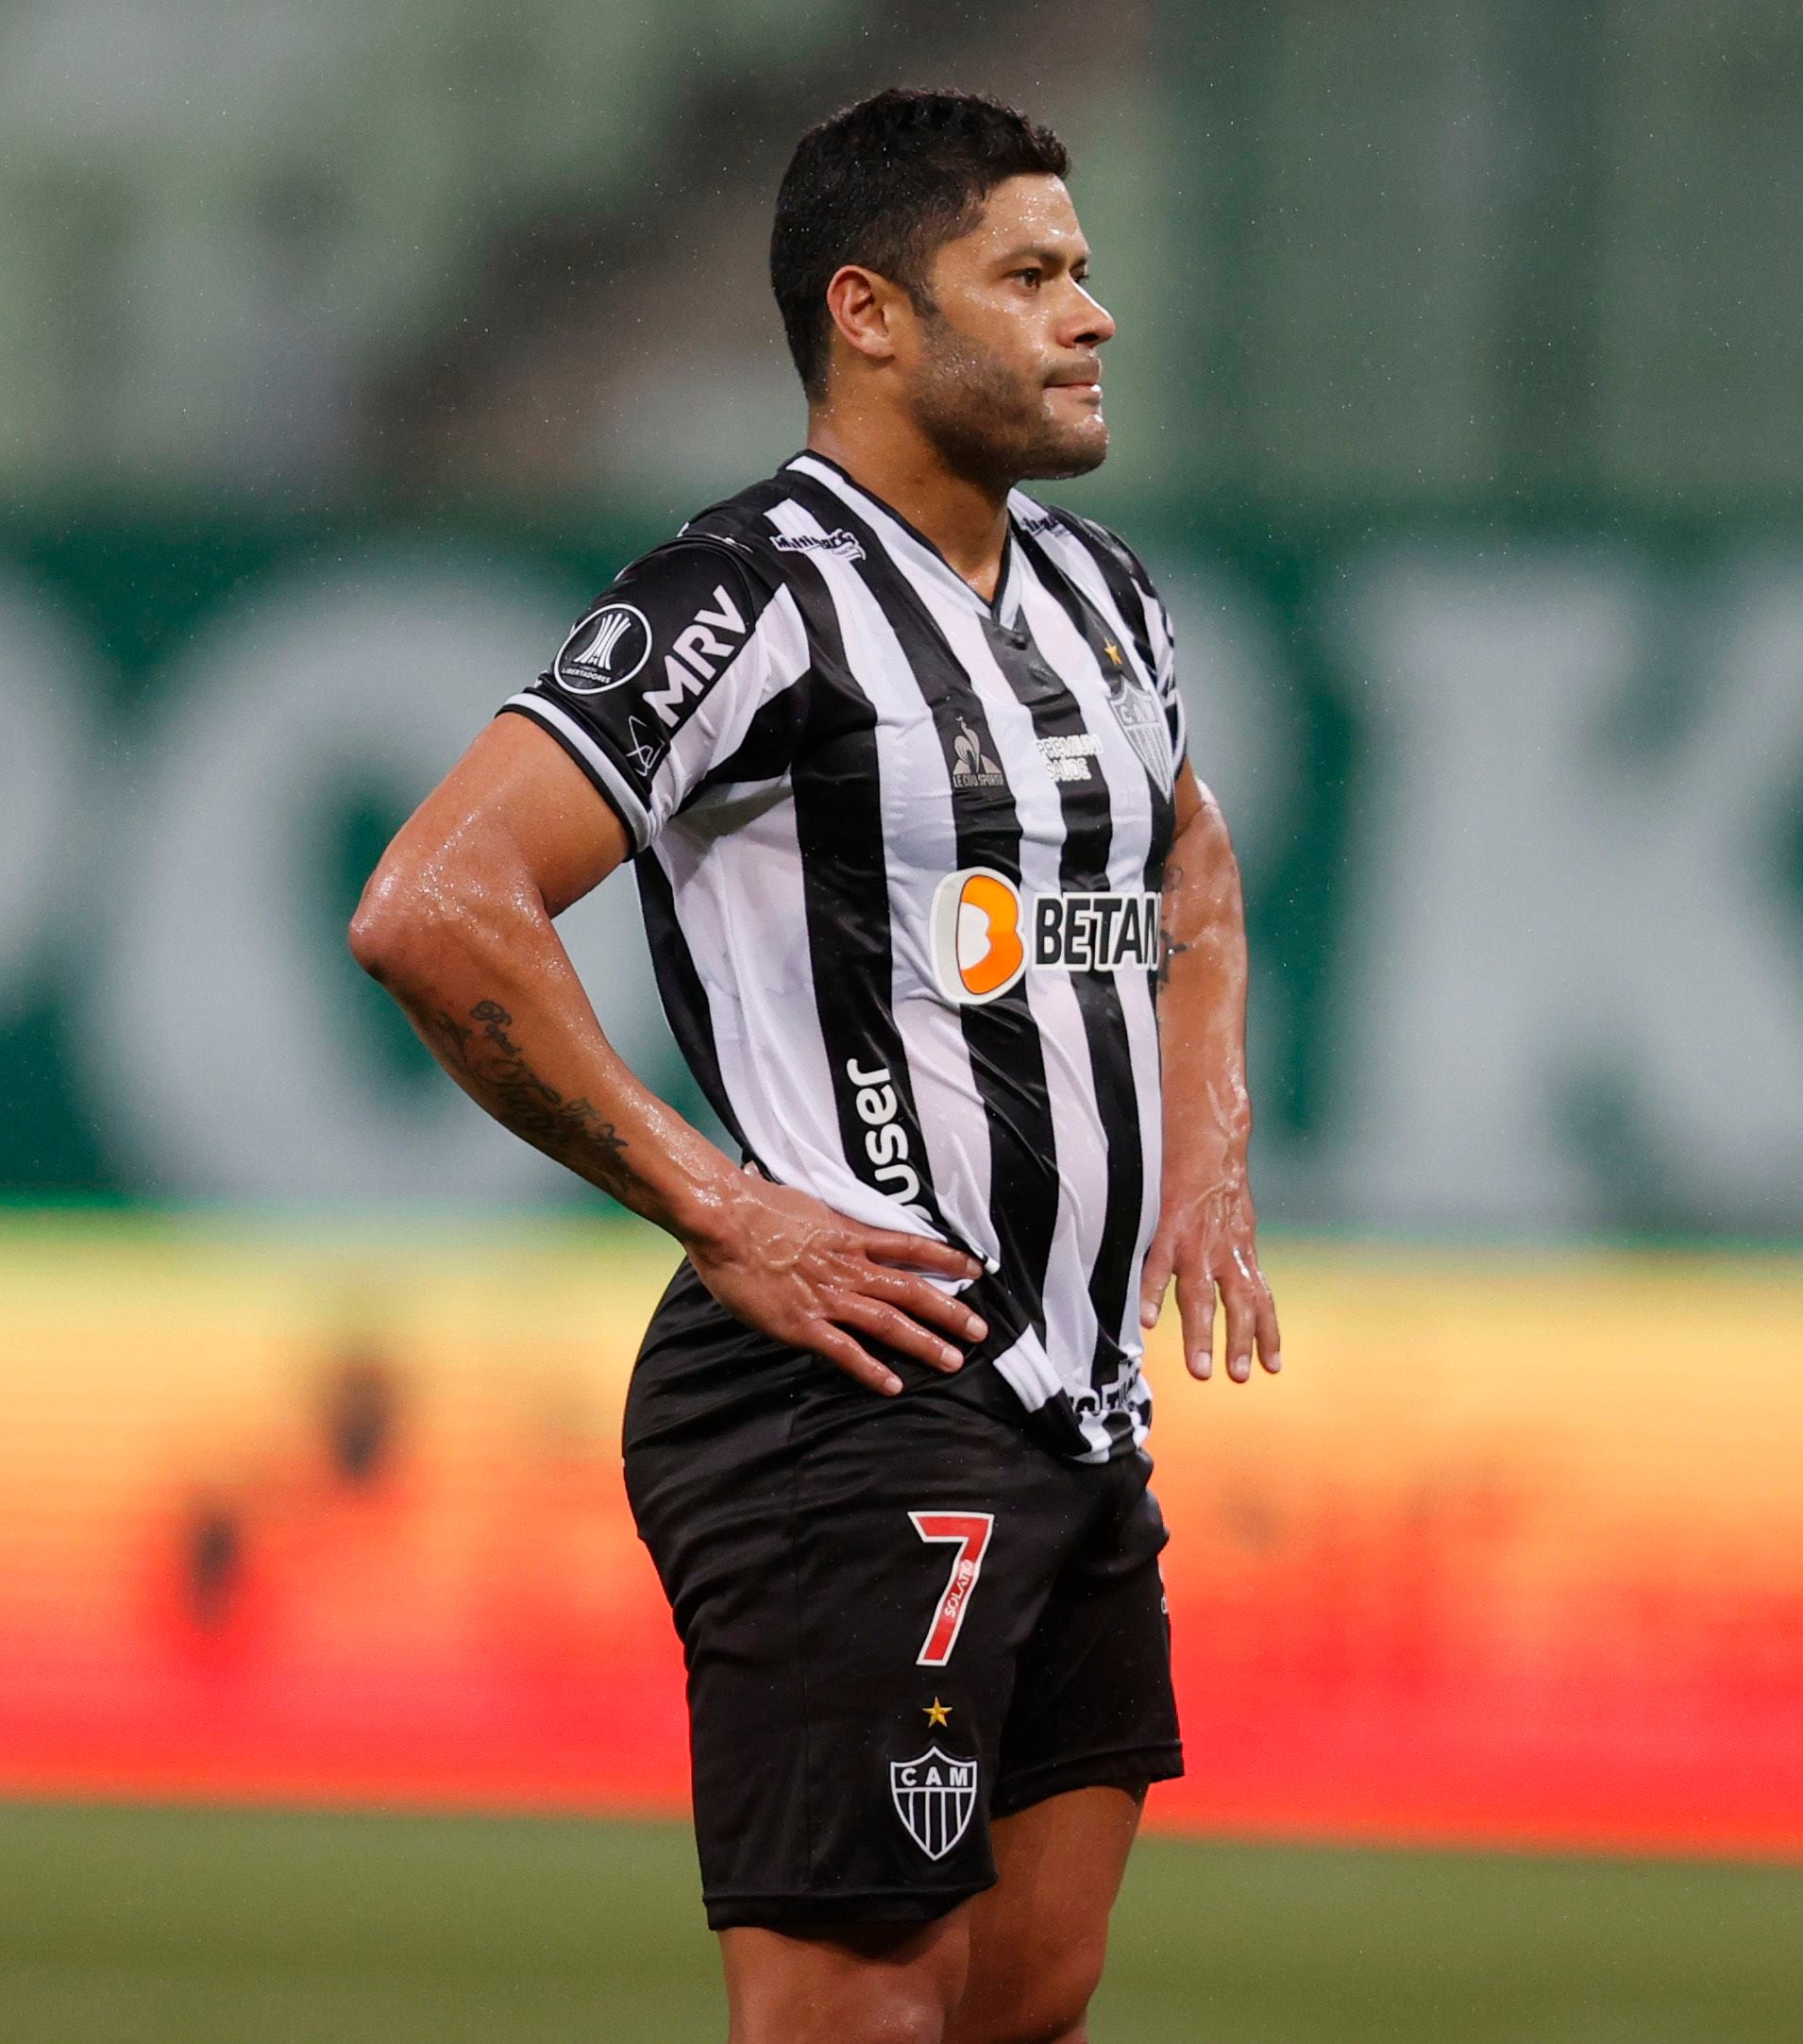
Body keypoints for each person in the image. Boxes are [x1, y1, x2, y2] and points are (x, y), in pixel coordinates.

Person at [350, 86, 1277, 2044]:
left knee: (1030, 2000)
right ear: (868, 313)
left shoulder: (1104, 601)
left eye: (1085, 271)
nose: (1091, 315)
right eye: (1027, 276)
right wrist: (721, 1205)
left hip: (1074, 1408)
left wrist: (1202, 1147)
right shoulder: (746, 594)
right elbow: (438, 904)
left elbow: (1194, 860)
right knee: (863, 2015)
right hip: (845, 1399)